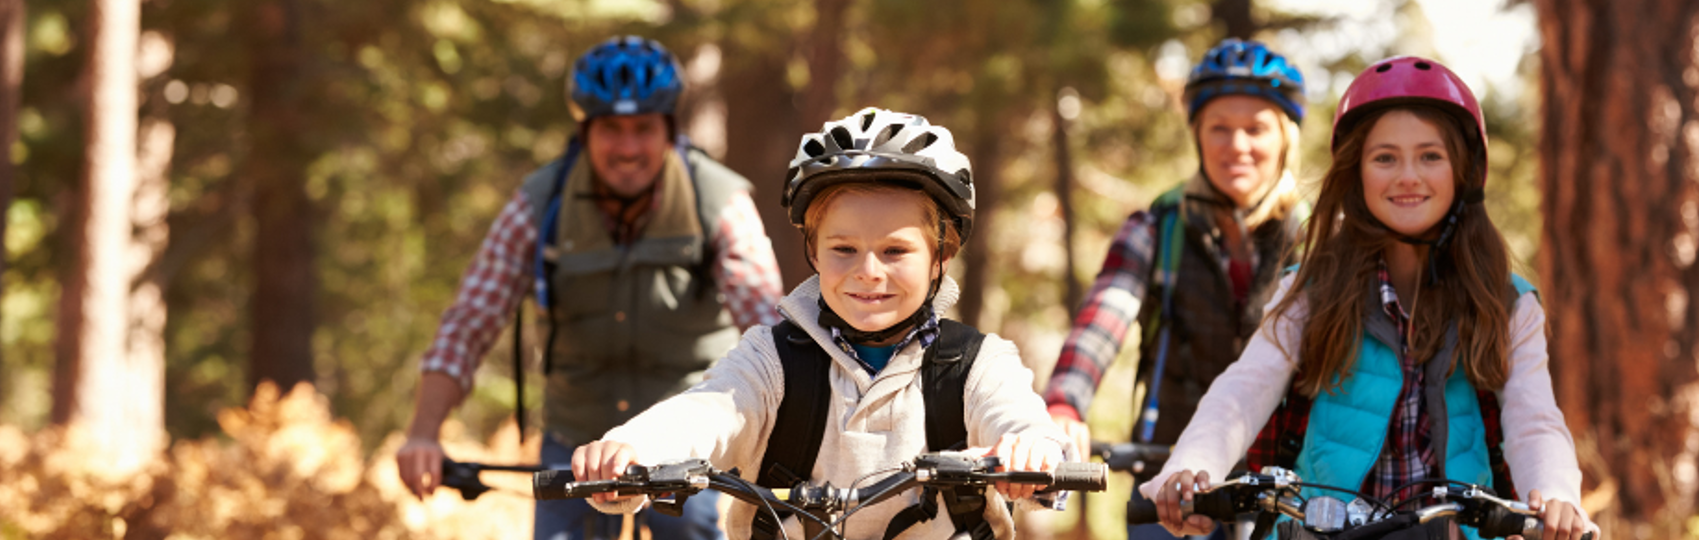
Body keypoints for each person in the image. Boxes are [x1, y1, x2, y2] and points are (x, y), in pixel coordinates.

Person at [1142, 57, 1599, 540]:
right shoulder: (1312, 290)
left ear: (1463, 171)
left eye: (1430, 156)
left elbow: (1534, 420)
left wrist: (1555, 495)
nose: (1407, 176)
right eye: (1385, 158)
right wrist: (1193, 465)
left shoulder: (1505, 302)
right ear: (1356, 172)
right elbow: (1244, 390)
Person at [570, 108, 1072, 540]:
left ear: (942, 253)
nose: (868, 271)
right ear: (813, 250)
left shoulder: (978, 365)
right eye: (843, 249)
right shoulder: (771, 359)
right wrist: (634, 447)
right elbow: (708, 410)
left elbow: (1021, 419)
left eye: (895, 250)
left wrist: (1032, 450)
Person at [395, 35, 784, 540]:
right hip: (574, 439)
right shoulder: (539, 202)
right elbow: (471, 319)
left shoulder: (719, 200)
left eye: (643, 128)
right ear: (584, 132)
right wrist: (423, 432)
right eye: (611, 130)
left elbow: (769, 327)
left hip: (685, 438)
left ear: (669, 130)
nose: (627, 147)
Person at [1039, 39, 1308, 539]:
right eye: (1219, 128)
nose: (1237, 145)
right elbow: (1105, 315)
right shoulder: (1158, 227)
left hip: (1288, 481)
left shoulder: (1320, 241)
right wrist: (1064, 404)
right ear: (1197, 135)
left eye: (1256, 129)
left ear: (1286, 137)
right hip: (1169, 474)